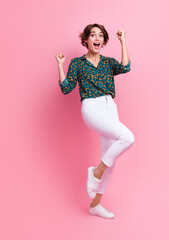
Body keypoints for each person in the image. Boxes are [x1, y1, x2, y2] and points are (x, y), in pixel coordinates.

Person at [55, 23, 134, 219]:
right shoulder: (77, 63)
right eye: (93, 35)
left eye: (100, 35)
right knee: (127, 137)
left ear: (103, 41)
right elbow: (66, 88)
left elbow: (125, 67)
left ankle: (95, 205)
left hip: (110, 107)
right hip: (92, 107)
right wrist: (60, 66)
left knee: (111, 161)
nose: (97, 38)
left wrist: (123, 41)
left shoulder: (107, 62)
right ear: (86, 40)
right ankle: (96, 172)